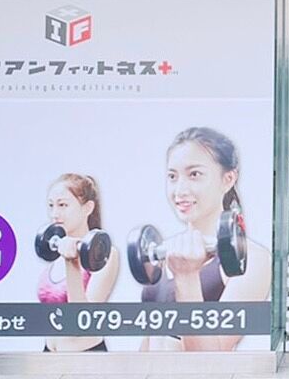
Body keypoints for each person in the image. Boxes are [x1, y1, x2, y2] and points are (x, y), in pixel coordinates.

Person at [141, 127, 269, 352]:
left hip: (197, 376)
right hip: (152, 374)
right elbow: (149, 343)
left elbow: (212, 356)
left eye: (194, 175)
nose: (180, 190)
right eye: (172, 176)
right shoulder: (166, 251)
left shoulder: (252, 259)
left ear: (228, 179)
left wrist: (187, 277)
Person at [38, 173, 118, 352]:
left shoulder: (104, 255)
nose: (55, 214)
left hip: (85, 357)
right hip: (49, 354)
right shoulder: (56, 252)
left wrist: (72, 262)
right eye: (51, 206)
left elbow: (81, 321)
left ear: (88, 208)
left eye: (62, 205)